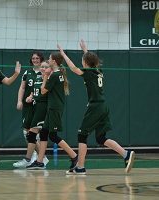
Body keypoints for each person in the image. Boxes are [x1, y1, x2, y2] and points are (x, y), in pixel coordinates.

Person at [58, 40, 135, 175]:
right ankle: (126, 154)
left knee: (82, 135)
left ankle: (80, 167)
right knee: (101, 138)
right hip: (103, 106)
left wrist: (63, 55)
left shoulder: (87, 72)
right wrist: (85, 50)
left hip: (95, 106)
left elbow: (73, 68)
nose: (82, 62)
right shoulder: (98, 70)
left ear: (85, 63)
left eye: (83, 60)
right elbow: (90, 60)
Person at [27, 52, 78, 170]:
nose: (48, 60)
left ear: (54, 61)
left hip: (54, 108)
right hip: (54, 106)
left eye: (49, 59)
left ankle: (74, 157)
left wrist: (45, 76)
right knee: (44, 133)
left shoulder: (54, 75)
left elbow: (43, 91)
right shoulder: (58, 73)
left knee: (53, 136)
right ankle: (40, 162)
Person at [13, 61, 49, 168]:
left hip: (43, 109)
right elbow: (34, 92)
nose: (42, 68)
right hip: (34, 107)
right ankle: (40, 158)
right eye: (42, 67)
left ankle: (31, 159)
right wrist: (30, 97)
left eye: (45, 67)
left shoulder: (49, 79)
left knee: (33, 134)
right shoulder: (37, 78)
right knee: (30, 134)